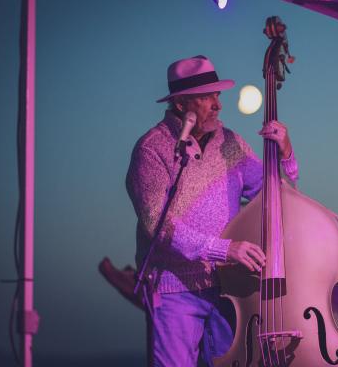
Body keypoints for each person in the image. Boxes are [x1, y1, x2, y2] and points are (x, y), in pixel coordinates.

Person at [126, 55, 298, 367]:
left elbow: (277, 199)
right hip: (174, 289)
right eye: (206, 97)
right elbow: (157, 223)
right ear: (181, 103)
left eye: (217, 95)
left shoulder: (230, 143)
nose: (217, 105)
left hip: (228, 289)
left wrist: (285, 154)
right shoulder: (151, 148)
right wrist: (223, 249)